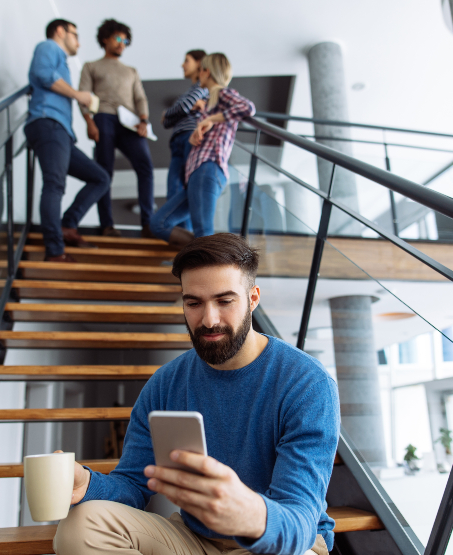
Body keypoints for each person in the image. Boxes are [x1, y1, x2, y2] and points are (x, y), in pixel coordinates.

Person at [55, 233, 341, 555]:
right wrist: (88, 484)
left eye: (224, 301)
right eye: (193, 303)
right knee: (81, 525)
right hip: (194, 540)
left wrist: (248, 512)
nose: (209, 319)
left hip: (275, 542)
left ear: (253, 298)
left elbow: (300, 522)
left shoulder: (306, 382)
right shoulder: (165, 384)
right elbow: (133, 485)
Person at [24, 19, 111, 262]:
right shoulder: (49, 47)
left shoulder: (61, 59)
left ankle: (68, 225)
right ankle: (54, 251)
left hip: (60, 132)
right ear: (60, 31)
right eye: (75, 34)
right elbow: (42, 74)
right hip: (48, 124)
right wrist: (77, 94)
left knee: (100, 178)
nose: (79, 42)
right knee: (55, 184)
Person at [150, 54, 255, 247]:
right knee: (159, 223)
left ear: (206, 71)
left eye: (201, 71)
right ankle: (205, 250)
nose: (199, 75)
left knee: (203, 231)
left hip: (208, 168)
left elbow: (248, 107)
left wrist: (209, 120)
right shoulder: (210, 104)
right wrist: (195, 135)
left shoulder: (223, 93)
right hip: (197, 173)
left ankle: (210, 254)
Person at [79, 19, 155, 238]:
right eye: (118, 38)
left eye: (126, 40)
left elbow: (140, 98)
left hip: (130, 122)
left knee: (146, 168)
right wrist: (89, 122)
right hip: (103, 118)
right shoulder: (91, 66)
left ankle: (148, 224)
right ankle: (107, 225)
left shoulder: (131, 71)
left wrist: (143, 120)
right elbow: (84, 97)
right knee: (104, 171)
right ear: (105, 39)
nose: (122, 43)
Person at [161, 50, 209, 231]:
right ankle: (183, 244)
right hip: (178, 142)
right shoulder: (193, 91)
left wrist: (171, 111)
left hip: (190, 138)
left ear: (199, 63)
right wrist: (182, 108)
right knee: (173, 192)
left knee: (185, 191)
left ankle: (187, 245)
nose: (183, 64)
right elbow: (167, 122)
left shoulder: (202, 87)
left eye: (186, 60)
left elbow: (180, 107)